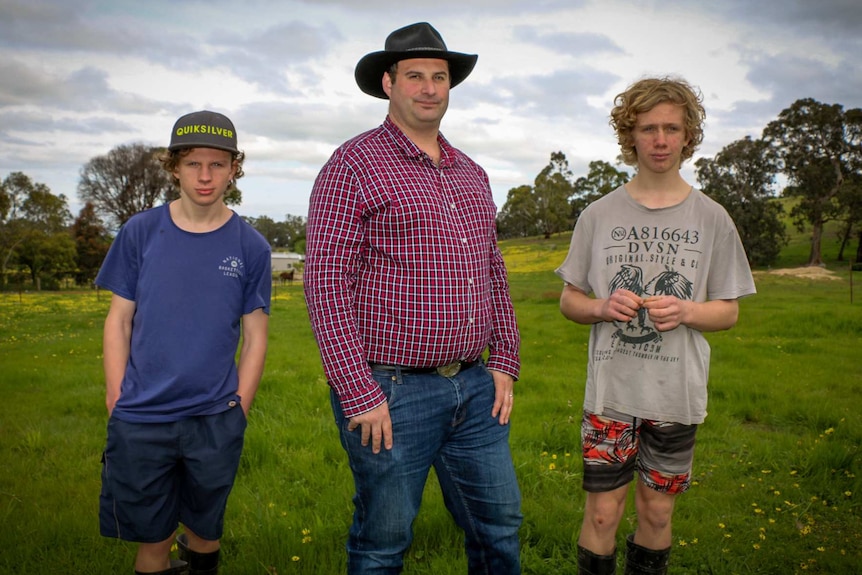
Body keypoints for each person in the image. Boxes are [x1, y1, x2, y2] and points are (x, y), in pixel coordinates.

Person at [304, 21, 523, 575]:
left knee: (499, 526)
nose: (429, 88)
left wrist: (504, 360)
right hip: (390, 391)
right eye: (415, 76)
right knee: (383, 541)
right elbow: (327, 284)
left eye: (439, 77)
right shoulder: (352, 165)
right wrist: (358, 392)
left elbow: (491, 270)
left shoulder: (472, 173)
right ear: (388, 84)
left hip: (474, 387)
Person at [555, 77, 756, 575]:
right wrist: (602, 307)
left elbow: (728, 310)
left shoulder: (712, 219)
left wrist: (687, 311)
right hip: (610, 397)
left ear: (688, 135)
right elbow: (569, 299)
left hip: (675, 396)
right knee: (602, 514)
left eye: (671, 128)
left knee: (657, 510)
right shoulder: (598, 215)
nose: (660, 140)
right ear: (631, 135)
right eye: (648, 128)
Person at [96, 110, 271, 575]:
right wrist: (117, 397)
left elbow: (255, 337)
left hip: (214, 417)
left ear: (235, 167)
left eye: (218, 164)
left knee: (205, 531)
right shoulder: (139, 231)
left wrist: (240, 407)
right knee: (152, 539)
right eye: (193, 164)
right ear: (173, 166)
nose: (206, 175)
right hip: (142, 416)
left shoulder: (251, 245)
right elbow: (119, 321)